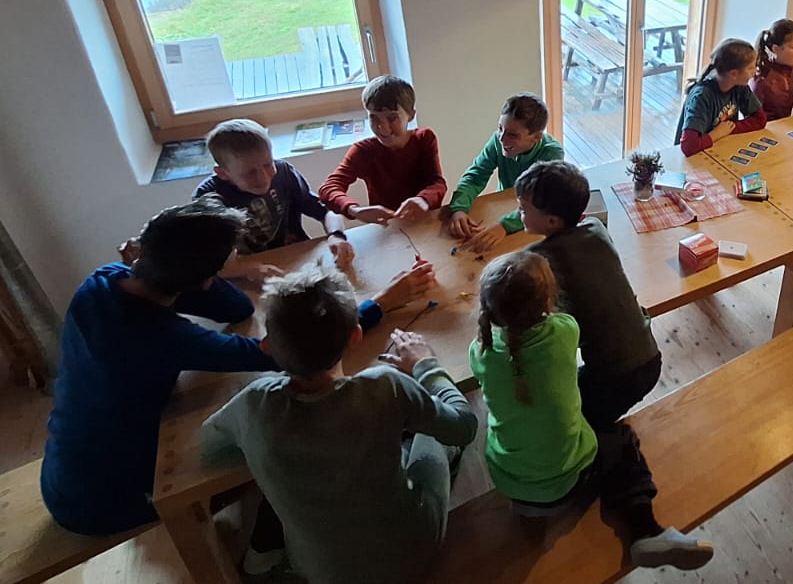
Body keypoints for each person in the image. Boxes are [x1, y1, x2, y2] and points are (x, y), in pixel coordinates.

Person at [201, 267, 474, 584]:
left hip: (323, 574)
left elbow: (208, 447)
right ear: (355, 336)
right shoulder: (386, 386)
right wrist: (426, 366)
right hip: (412, 552)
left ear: (267, 346)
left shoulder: (254, 403)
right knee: (434, 435)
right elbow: (464, 426)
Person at [40, 199, 280, 536]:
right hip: (99, 504)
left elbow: (237, 308)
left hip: (63, 472)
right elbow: (273, 354)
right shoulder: (162, 337)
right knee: (265, 459)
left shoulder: (103, 280)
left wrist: (176, 271)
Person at [469, 252, 714, 571]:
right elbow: (566, 322)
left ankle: (532, 520)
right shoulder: (564, 331)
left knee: (532, 426)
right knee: (622, 440)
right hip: (569, 477)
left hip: (510, 480)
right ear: (547, 304)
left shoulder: (480, 352)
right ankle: (644, 530)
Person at [515, 160, 661, 429]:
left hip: (617, 376)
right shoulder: (595, 227)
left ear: (551, 221)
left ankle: (600, 445)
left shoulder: (540, 260)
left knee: (564, 421)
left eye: (523, 209)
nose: (518, 212)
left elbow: (547, 327)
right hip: (649, 354)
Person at [193, 118, 354, 270]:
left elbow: (325, 211)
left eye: (268, 164)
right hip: (245, 269)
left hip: (295, 257)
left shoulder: (284, 172)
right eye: (250, 173)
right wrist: (246, 270)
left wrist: (336, 235)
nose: (263, 178)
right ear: (223, 173)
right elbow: (207, 259)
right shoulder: (208, 196)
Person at [445, 93, 565, 253]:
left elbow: (539, 202)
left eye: (512, 135)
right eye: (500, 128)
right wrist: (459, 208)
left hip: (534, 221)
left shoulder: (551, 153)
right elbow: (475, 176)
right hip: (506, 209)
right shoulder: (498, 141)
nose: (502, 138)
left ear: (536, 137)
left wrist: (504, 226)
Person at [320, 75, 447, 225]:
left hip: (423, 222)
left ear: (411, 115)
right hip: (387, 227)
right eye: (374, 118)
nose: (382, 127)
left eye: (392, 118)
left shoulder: (424, 139)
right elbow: (328, 188)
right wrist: (354, 210)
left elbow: (437, 183)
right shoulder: (364, 151)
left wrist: (423, 199)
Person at [675, 38, 766, 156]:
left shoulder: (739, 86)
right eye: (750, 68)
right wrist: (716, 134)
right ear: (733, 74)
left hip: (718, 147)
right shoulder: (702, 96)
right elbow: (689, 146)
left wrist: (730, 129)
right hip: (692, 157)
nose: (754, 71)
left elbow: (760, 119)